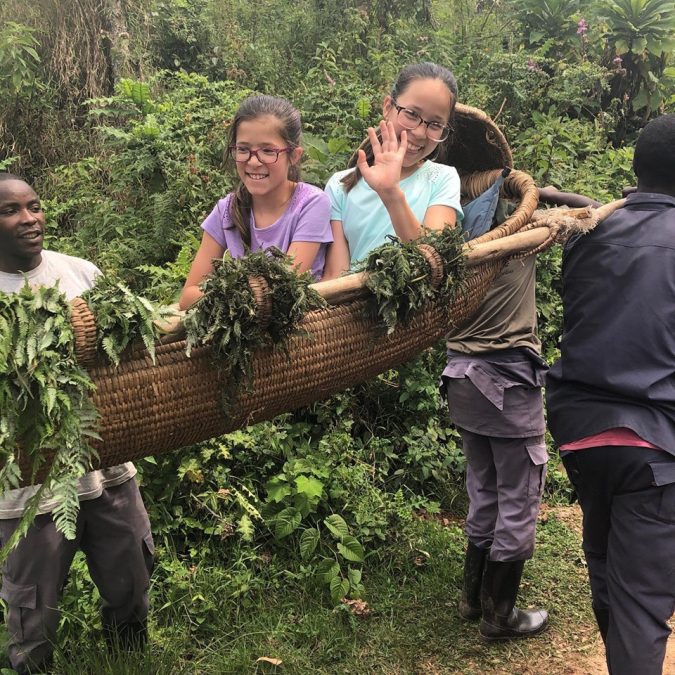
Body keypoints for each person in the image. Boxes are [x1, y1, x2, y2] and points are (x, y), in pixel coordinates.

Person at [0, 173, 154, 673]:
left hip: (107, 472)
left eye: (35, 206)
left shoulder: (80, 273)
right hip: (28, 494)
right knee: (32, 613)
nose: (30, 219)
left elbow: (130, 356)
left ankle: (129, 664)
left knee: (132, 580)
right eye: (11, 211)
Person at [546, 114, 675, 674]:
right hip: (654, 444)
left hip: (581, 434)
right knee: (642, 603)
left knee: (605, 561)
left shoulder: (588, 231)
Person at [440, 252, 550, 640]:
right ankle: (500, 616)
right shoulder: (518, 233)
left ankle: (472, 600)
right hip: (507, 380)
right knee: (518, 496)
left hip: (460, 376)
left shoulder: (448, 230)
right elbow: (591, 217)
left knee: (484, 488)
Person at [179, 95, 332, 309]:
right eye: (243, 150)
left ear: (294, 155)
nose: (253, 161)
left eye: (268, 151)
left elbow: (283, 288)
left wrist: (224, 294)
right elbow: (188, 295)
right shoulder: (226, 210)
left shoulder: (311, 204)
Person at [322, 62, 463, 278]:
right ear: (388, 106)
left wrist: (391, 194)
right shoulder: (340, 185)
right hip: (352, 307)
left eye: (435, 124)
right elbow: (335, 274)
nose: (419, 132)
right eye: (412, 114)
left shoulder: (443, 178)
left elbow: (436, 257)